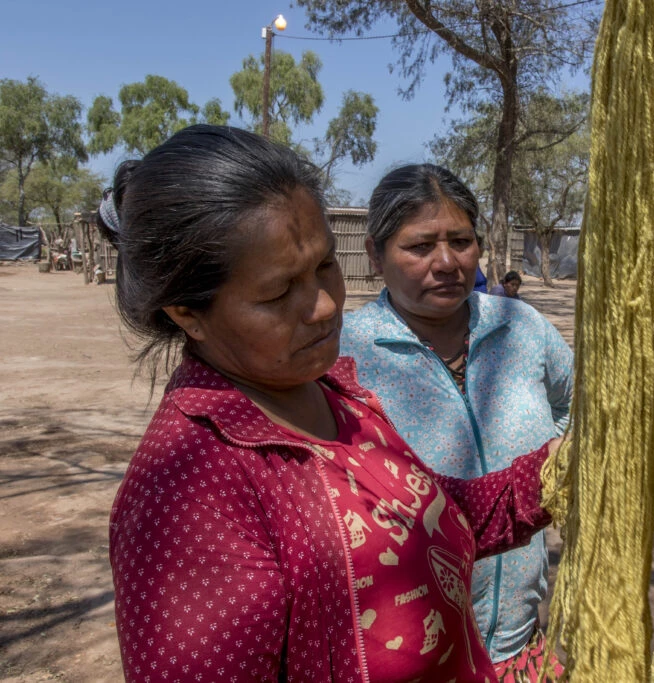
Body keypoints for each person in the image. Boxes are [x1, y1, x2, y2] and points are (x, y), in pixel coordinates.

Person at [102, 125, 560, 682]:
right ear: (187, 313)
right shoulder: (187, 497)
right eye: (278, 292)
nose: (323, 306)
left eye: (324, 267)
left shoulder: (338, 397)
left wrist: (555, 473)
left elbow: (436, 520)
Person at [339, 164, 573, 680]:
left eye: (461, 242)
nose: (447, 262)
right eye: (420, 246)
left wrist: (559, 454)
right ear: (375, 255)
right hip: (411, 662)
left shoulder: (520, 327)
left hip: (521, 646)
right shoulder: (342, 353)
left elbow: (574, 402)